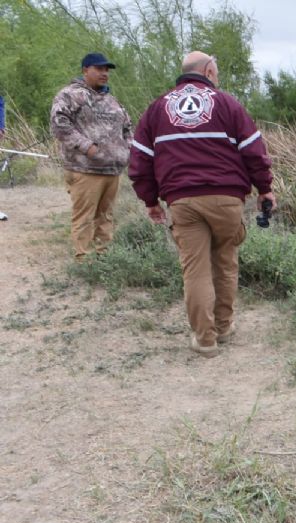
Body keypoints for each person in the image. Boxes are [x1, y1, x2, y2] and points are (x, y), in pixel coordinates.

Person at [128, 51, 275, 358]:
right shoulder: (227, 104)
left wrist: (150, 200)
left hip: (182, 200)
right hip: (226, 199)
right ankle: (223, 326)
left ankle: (205, 340)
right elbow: (253, 151)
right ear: (209, 71)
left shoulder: (157, 109)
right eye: (216, 73)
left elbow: (140, 160)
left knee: (195, 269)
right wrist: (264, 188)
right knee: (224, 260)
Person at [50, 53, 131, 260]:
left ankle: (104, 258)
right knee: (84, 217)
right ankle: (83, 261)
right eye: (99, 69)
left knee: (106, 216)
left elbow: (127, 128)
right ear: (85, 70)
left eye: (106, 70)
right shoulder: (70, 95)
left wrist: (127, 150)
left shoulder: (112, 100)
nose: (104, 74)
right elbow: (59, 125)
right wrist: (87, 147)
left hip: (112, 169)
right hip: (84, 169)